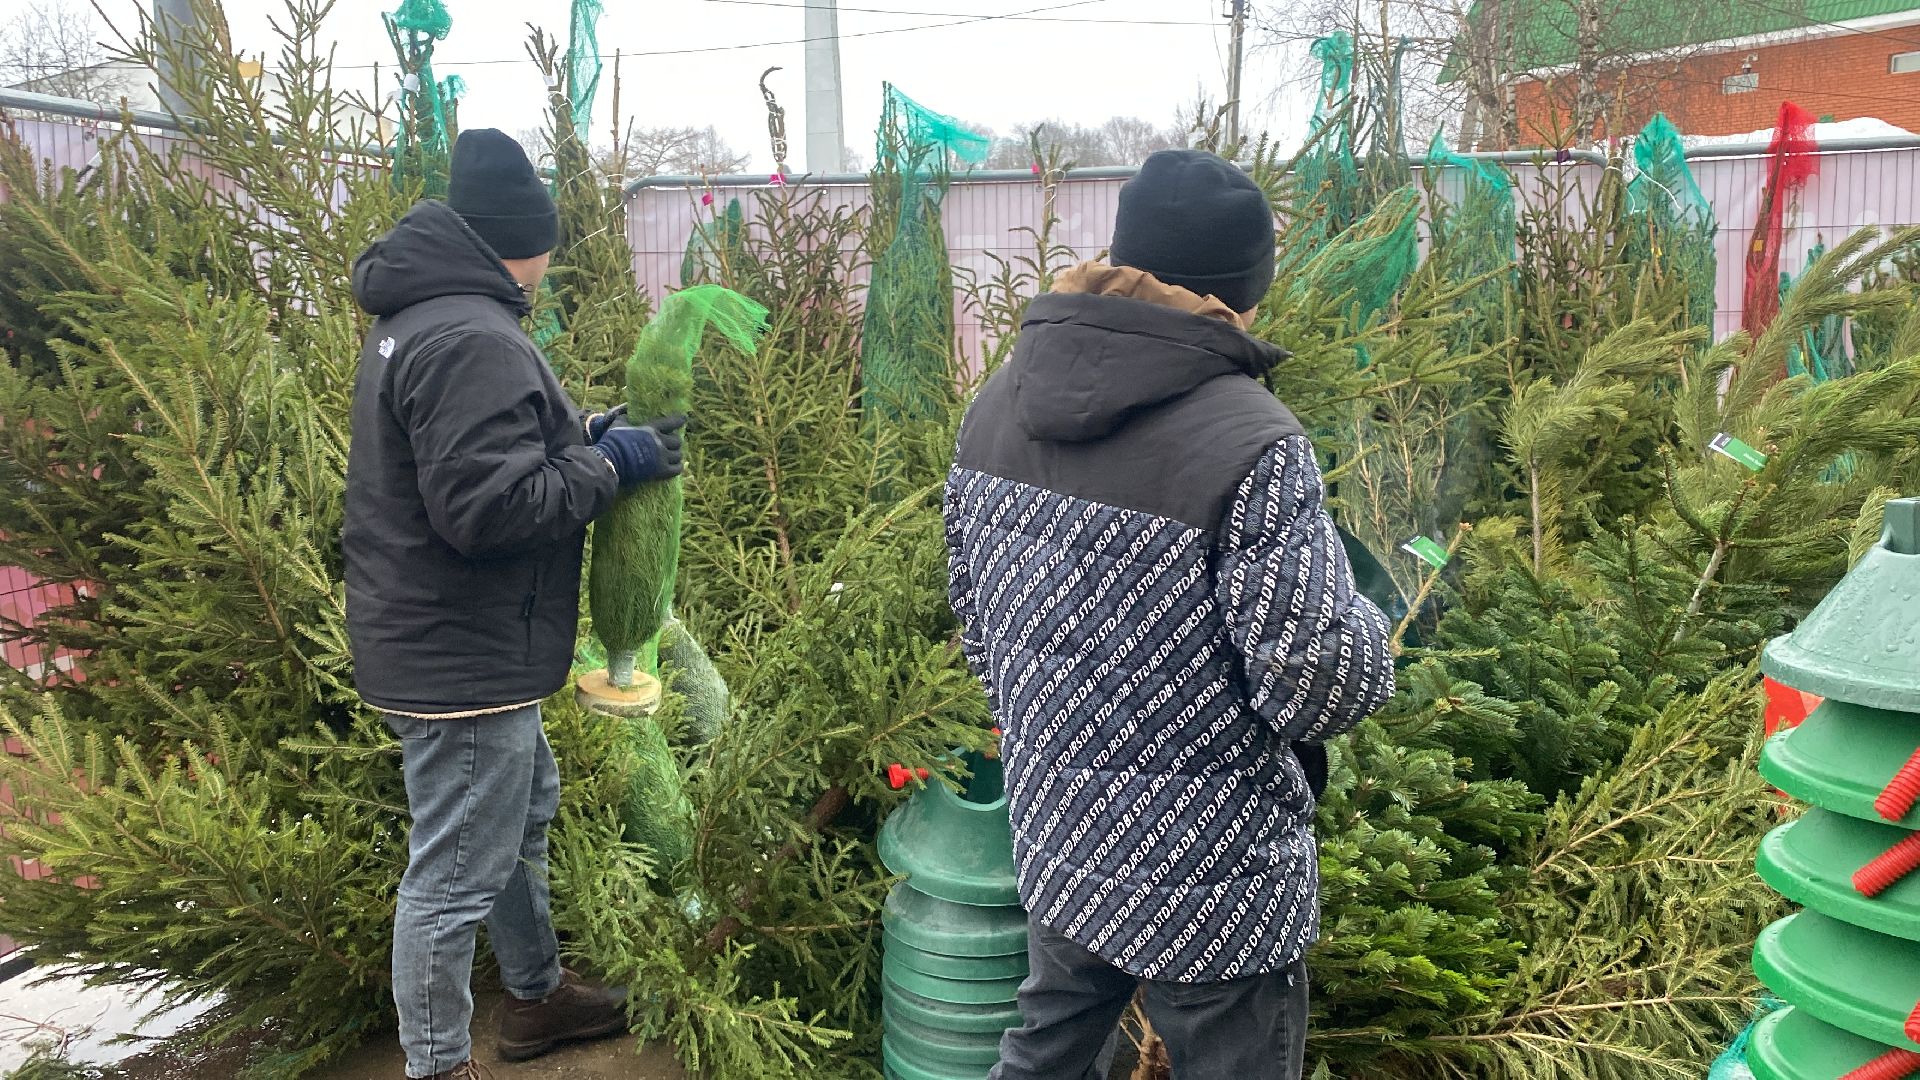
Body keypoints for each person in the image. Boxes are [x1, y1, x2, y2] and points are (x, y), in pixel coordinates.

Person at [943, 148, 1397, 1080]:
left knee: (1044, 1057)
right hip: (1215, 879)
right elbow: (1318, 686)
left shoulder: (996, 407)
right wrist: (1371, 630)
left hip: (1064, 839)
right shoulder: (1252, 441)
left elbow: (979, 631)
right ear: (1243, 292)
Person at [344, 128, 685, 1080]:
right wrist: (610, 464)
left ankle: (536, 998)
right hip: (463, 659)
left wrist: (580, 433)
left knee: (522, 811)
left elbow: (474, 453)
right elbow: (490, 509)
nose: (548, 263)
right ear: (515, 241)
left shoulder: (434, 316)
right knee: (452, 876)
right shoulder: (468, 334)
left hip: (459, 642)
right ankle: (438, 1064)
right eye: (545, 244)